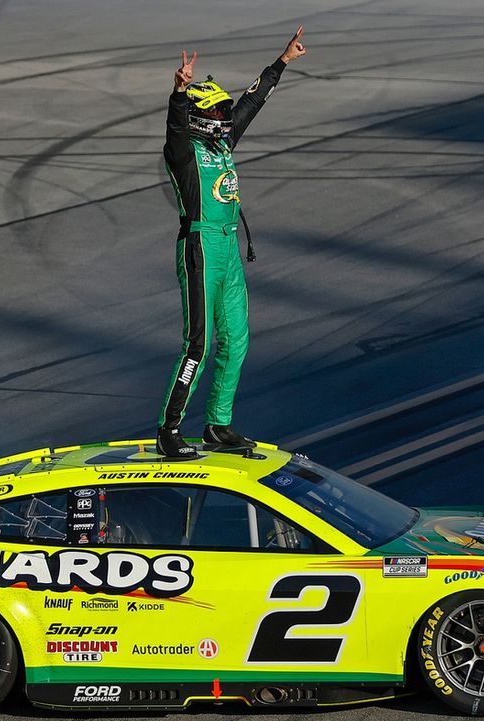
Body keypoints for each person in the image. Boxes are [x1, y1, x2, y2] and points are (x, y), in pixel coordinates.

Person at [155, 27, 307, 458]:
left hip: (229, 249)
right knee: (198, 344)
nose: (226, 118)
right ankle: (169, 429)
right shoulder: (183, 151)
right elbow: (173, 127)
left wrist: (282, 61)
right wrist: (179, 92)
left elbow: (251, 103)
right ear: (200, 116)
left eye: (225, 113)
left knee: (236, 339)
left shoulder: (222, 141)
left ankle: (217, 425)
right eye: (219, 112)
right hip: (200, 248)